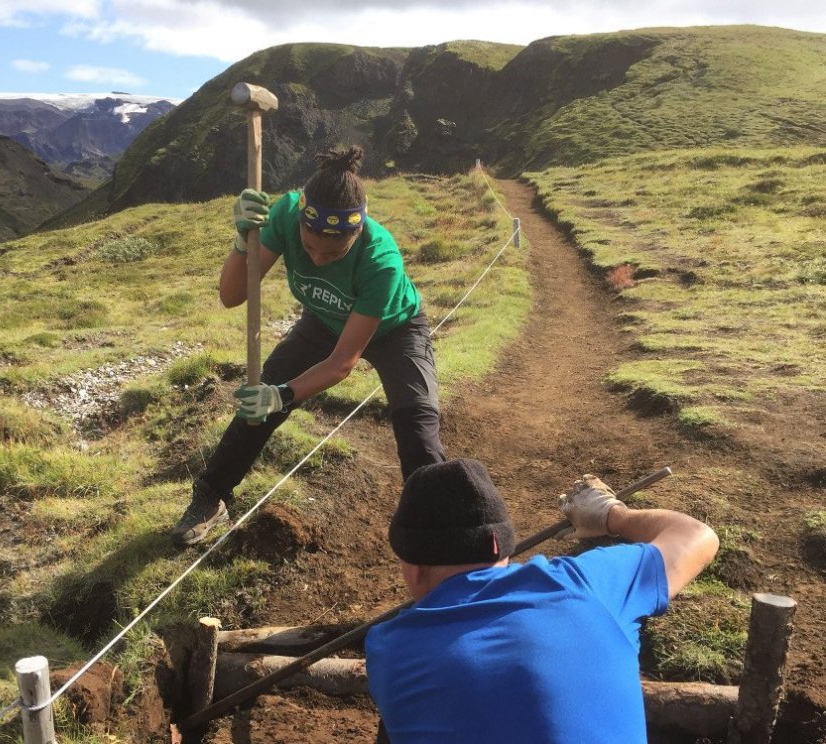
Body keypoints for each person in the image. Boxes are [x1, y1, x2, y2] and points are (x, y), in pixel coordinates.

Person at [171, 146, 446, 546]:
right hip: (321, 319)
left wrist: (283, 395)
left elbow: (341, 363)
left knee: (418, 427)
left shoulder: (381, 260)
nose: (317, 259)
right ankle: (209, 497)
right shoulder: (283, 214)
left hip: (396, 330)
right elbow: (232, 296)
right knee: (257, 404)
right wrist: (242, 240)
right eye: (310, 246)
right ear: (300, 219)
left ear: (358, 231)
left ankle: (437, 530)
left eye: (333, 253)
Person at [364, 458, 719, 744]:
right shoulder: (588, 585)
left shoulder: (389, 648)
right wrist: (611, 514)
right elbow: (697, 536)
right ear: (502, 547)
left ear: (412, 569)